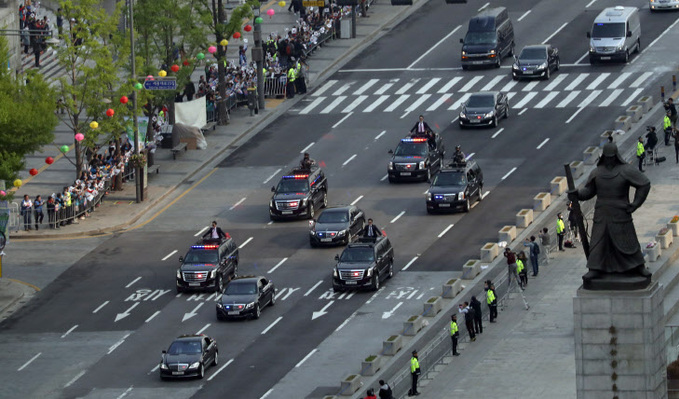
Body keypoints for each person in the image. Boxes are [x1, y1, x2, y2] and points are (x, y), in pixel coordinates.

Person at [568, 142, 652, 289]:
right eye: (607, 158)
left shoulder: (625, 170)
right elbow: (589, 191)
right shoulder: (597, 172)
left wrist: (636, 203)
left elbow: (644, 184)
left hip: (620, 212)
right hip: (602, 213)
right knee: (598, 242)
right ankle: (595, 269)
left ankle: (638, 266)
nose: (609, 160)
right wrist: (577, 194)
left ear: (616, 157)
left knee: (628, 241)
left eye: (612, 157)